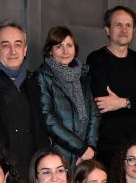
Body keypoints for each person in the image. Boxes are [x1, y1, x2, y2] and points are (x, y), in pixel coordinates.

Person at [0, 21, 50, 176]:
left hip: (31, 174)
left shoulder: (37, 83)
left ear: (25, 50)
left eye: (18, 44)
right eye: (5, 45)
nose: (13, 51)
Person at [86, 6, 136, 166]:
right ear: (107, 30)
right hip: (105, 146)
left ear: (133, 30)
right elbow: (102, 102)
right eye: (118, 25)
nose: (124, 30)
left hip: (135, 147)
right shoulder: (96, 59)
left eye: (128, 25)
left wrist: (122, 102)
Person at [36, 26, 99, 166]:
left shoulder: (83, 75)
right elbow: (48, 119)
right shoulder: (43, 76)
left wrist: (90, 148)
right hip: (58, 154)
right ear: (50, 50)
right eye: (59, 46)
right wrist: (80, 148)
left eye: (69, 45)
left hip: (86, 155)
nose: (65, 51)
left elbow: (94, 114)